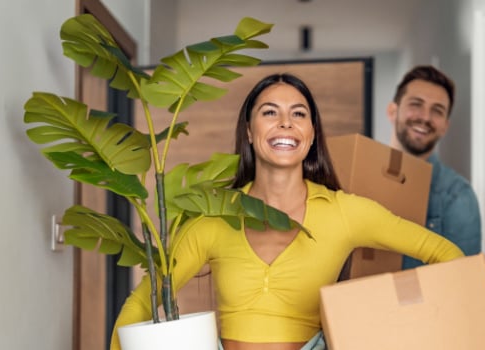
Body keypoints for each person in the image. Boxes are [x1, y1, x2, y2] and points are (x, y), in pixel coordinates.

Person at [111, 73, 464, 350]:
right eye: (270, 113)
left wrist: (411, 330)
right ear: (249, 132)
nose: (285, 123)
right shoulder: (215, 217)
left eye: (299, 114)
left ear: (311, 134)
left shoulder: (345, 212)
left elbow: (446, 254)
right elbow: (142, 302)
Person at [386, 65, 482, 270]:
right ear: (392, 111)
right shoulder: (358, 177)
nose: (425, 117)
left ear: (445, 125)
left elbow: (464, 280)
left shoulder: (457, 195)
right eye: (416, 104)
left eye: (437, 111)